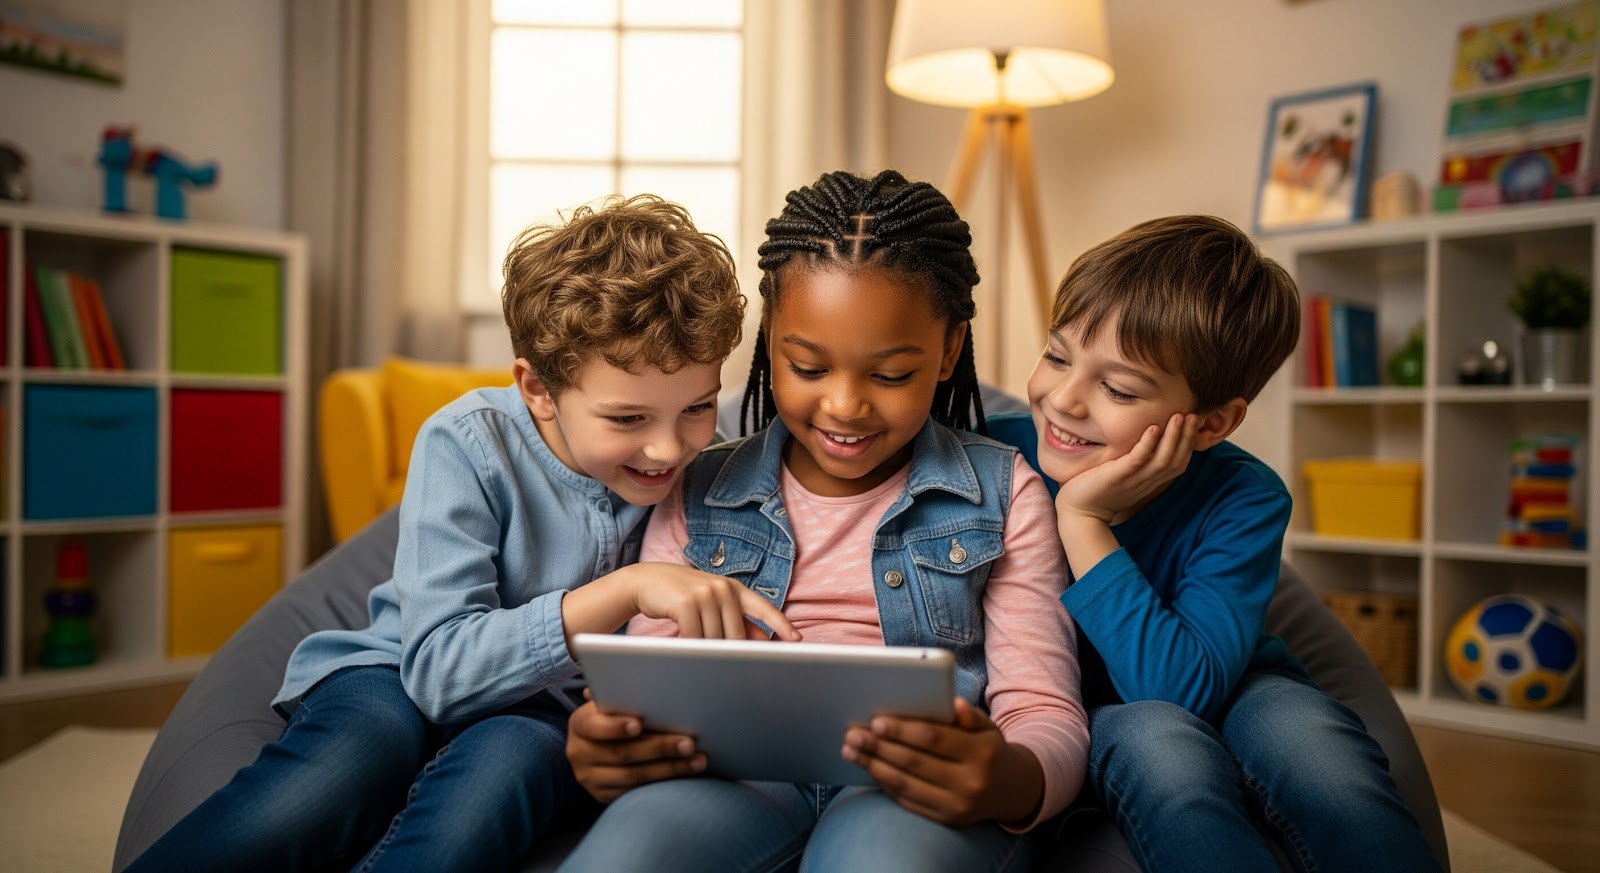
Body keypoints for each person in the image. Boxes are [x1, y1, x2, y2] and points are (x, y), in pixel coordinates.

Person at [122, 195, 799, 873]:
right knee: (350, 761)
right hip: (395, 673)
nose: (668, 447)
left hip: (544, 716)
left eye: (697, 407)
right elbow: (438, 675)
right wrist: (623, 590)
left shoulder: (716, 459)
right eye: (626, 418)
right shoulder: (468, 442)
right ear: (538, 389)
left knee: (498, 778)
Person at [554, 169, 1089, 873]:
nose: (844, 406)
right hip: (734, 780)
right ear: (770, 341)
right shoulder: (701, 484)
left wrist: (1005, 779)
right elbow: (654, 675)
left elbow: (1046, 711)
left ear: (950, 350)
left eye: (891, 375)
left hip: (910, 792)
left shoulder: (1004, 492)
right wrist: (612, 740)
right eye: (807, 366)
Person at [987, 214, 1442, 872]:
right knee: (1158, 745)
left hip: (1238, 684)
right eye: (1057, 355)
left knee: (1316, 744)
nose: (1063, 398)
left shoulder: (1245, 496)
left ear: (1212, 422)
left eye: (1116, 387)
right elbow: (1161, 709)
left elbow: (1183, 685)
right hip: (1096, 714)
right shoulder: (990, 456)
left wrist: (1082, 519)